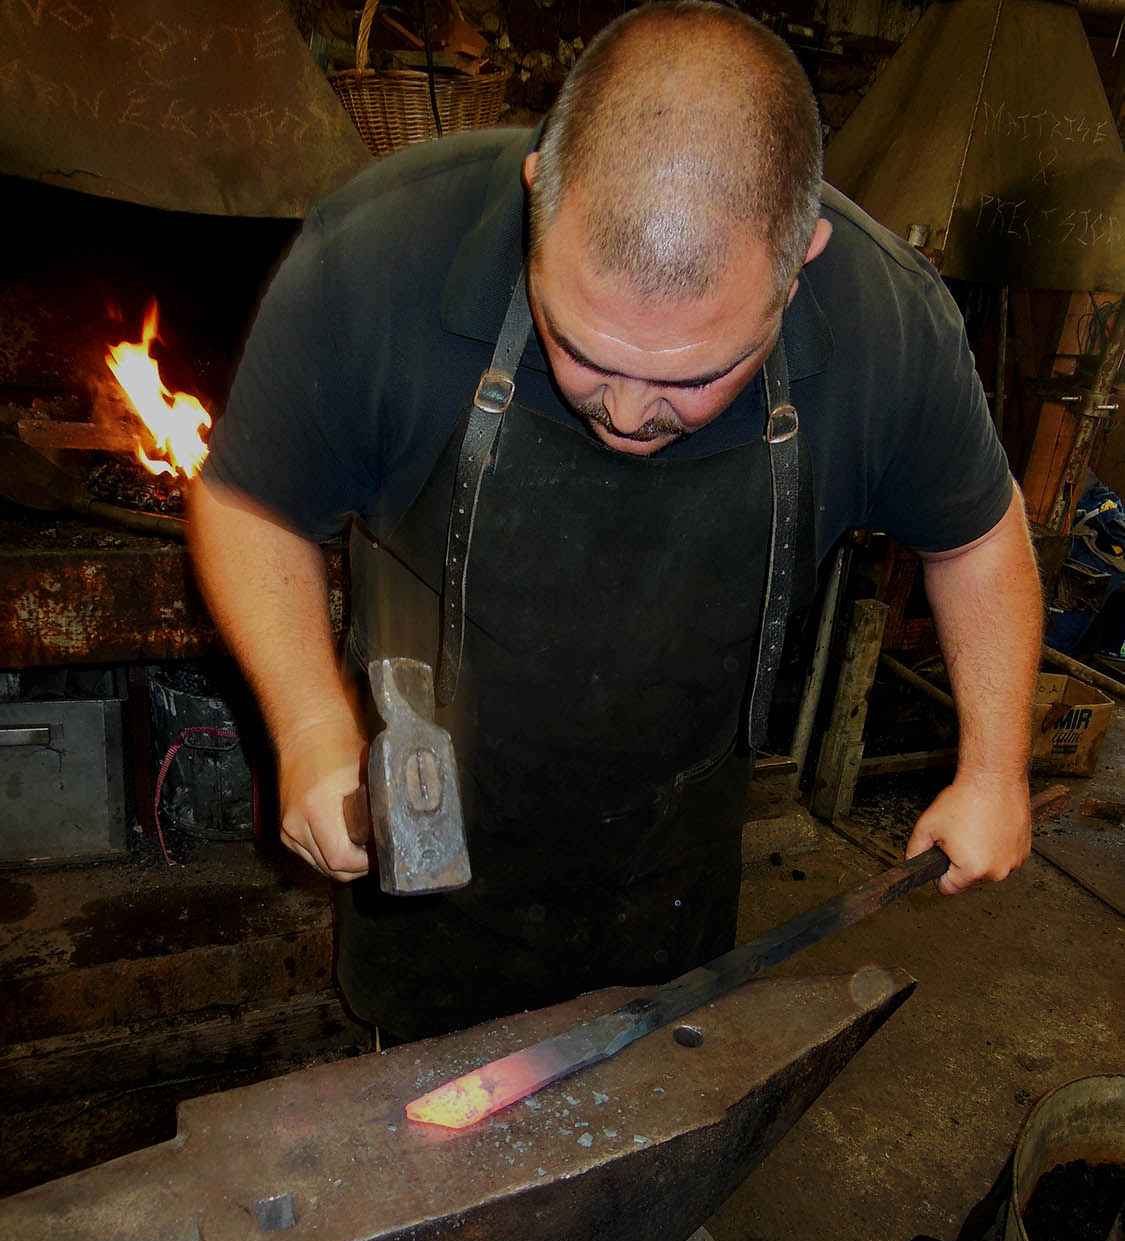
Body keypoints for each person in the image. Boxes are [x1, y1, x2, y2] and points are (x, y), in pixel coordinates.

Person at [188, 2, 1042, 1042]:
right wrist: (310, 725)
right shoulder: (380, 258)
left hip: (675, 852)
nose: (629, 415)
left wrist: (993, 771)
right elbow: (249, 504)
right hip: (429, 859)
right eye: (583, 350)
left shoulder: (888, 323)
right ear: (537, 196)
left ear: (798, 266)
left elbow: (977, 537)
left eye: (691, 377)